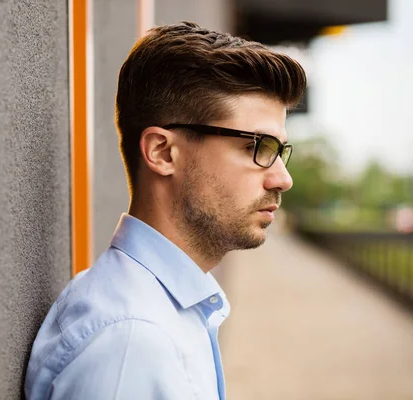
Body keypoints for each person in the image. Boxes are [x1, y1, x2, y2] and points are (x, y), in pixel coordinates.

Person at [25, 21, 306, 400]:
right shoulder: (131, 343)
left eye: (279, 151)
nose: (282, 179)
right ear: (162, 152)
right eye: (257, 147)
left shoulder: (158, 314)